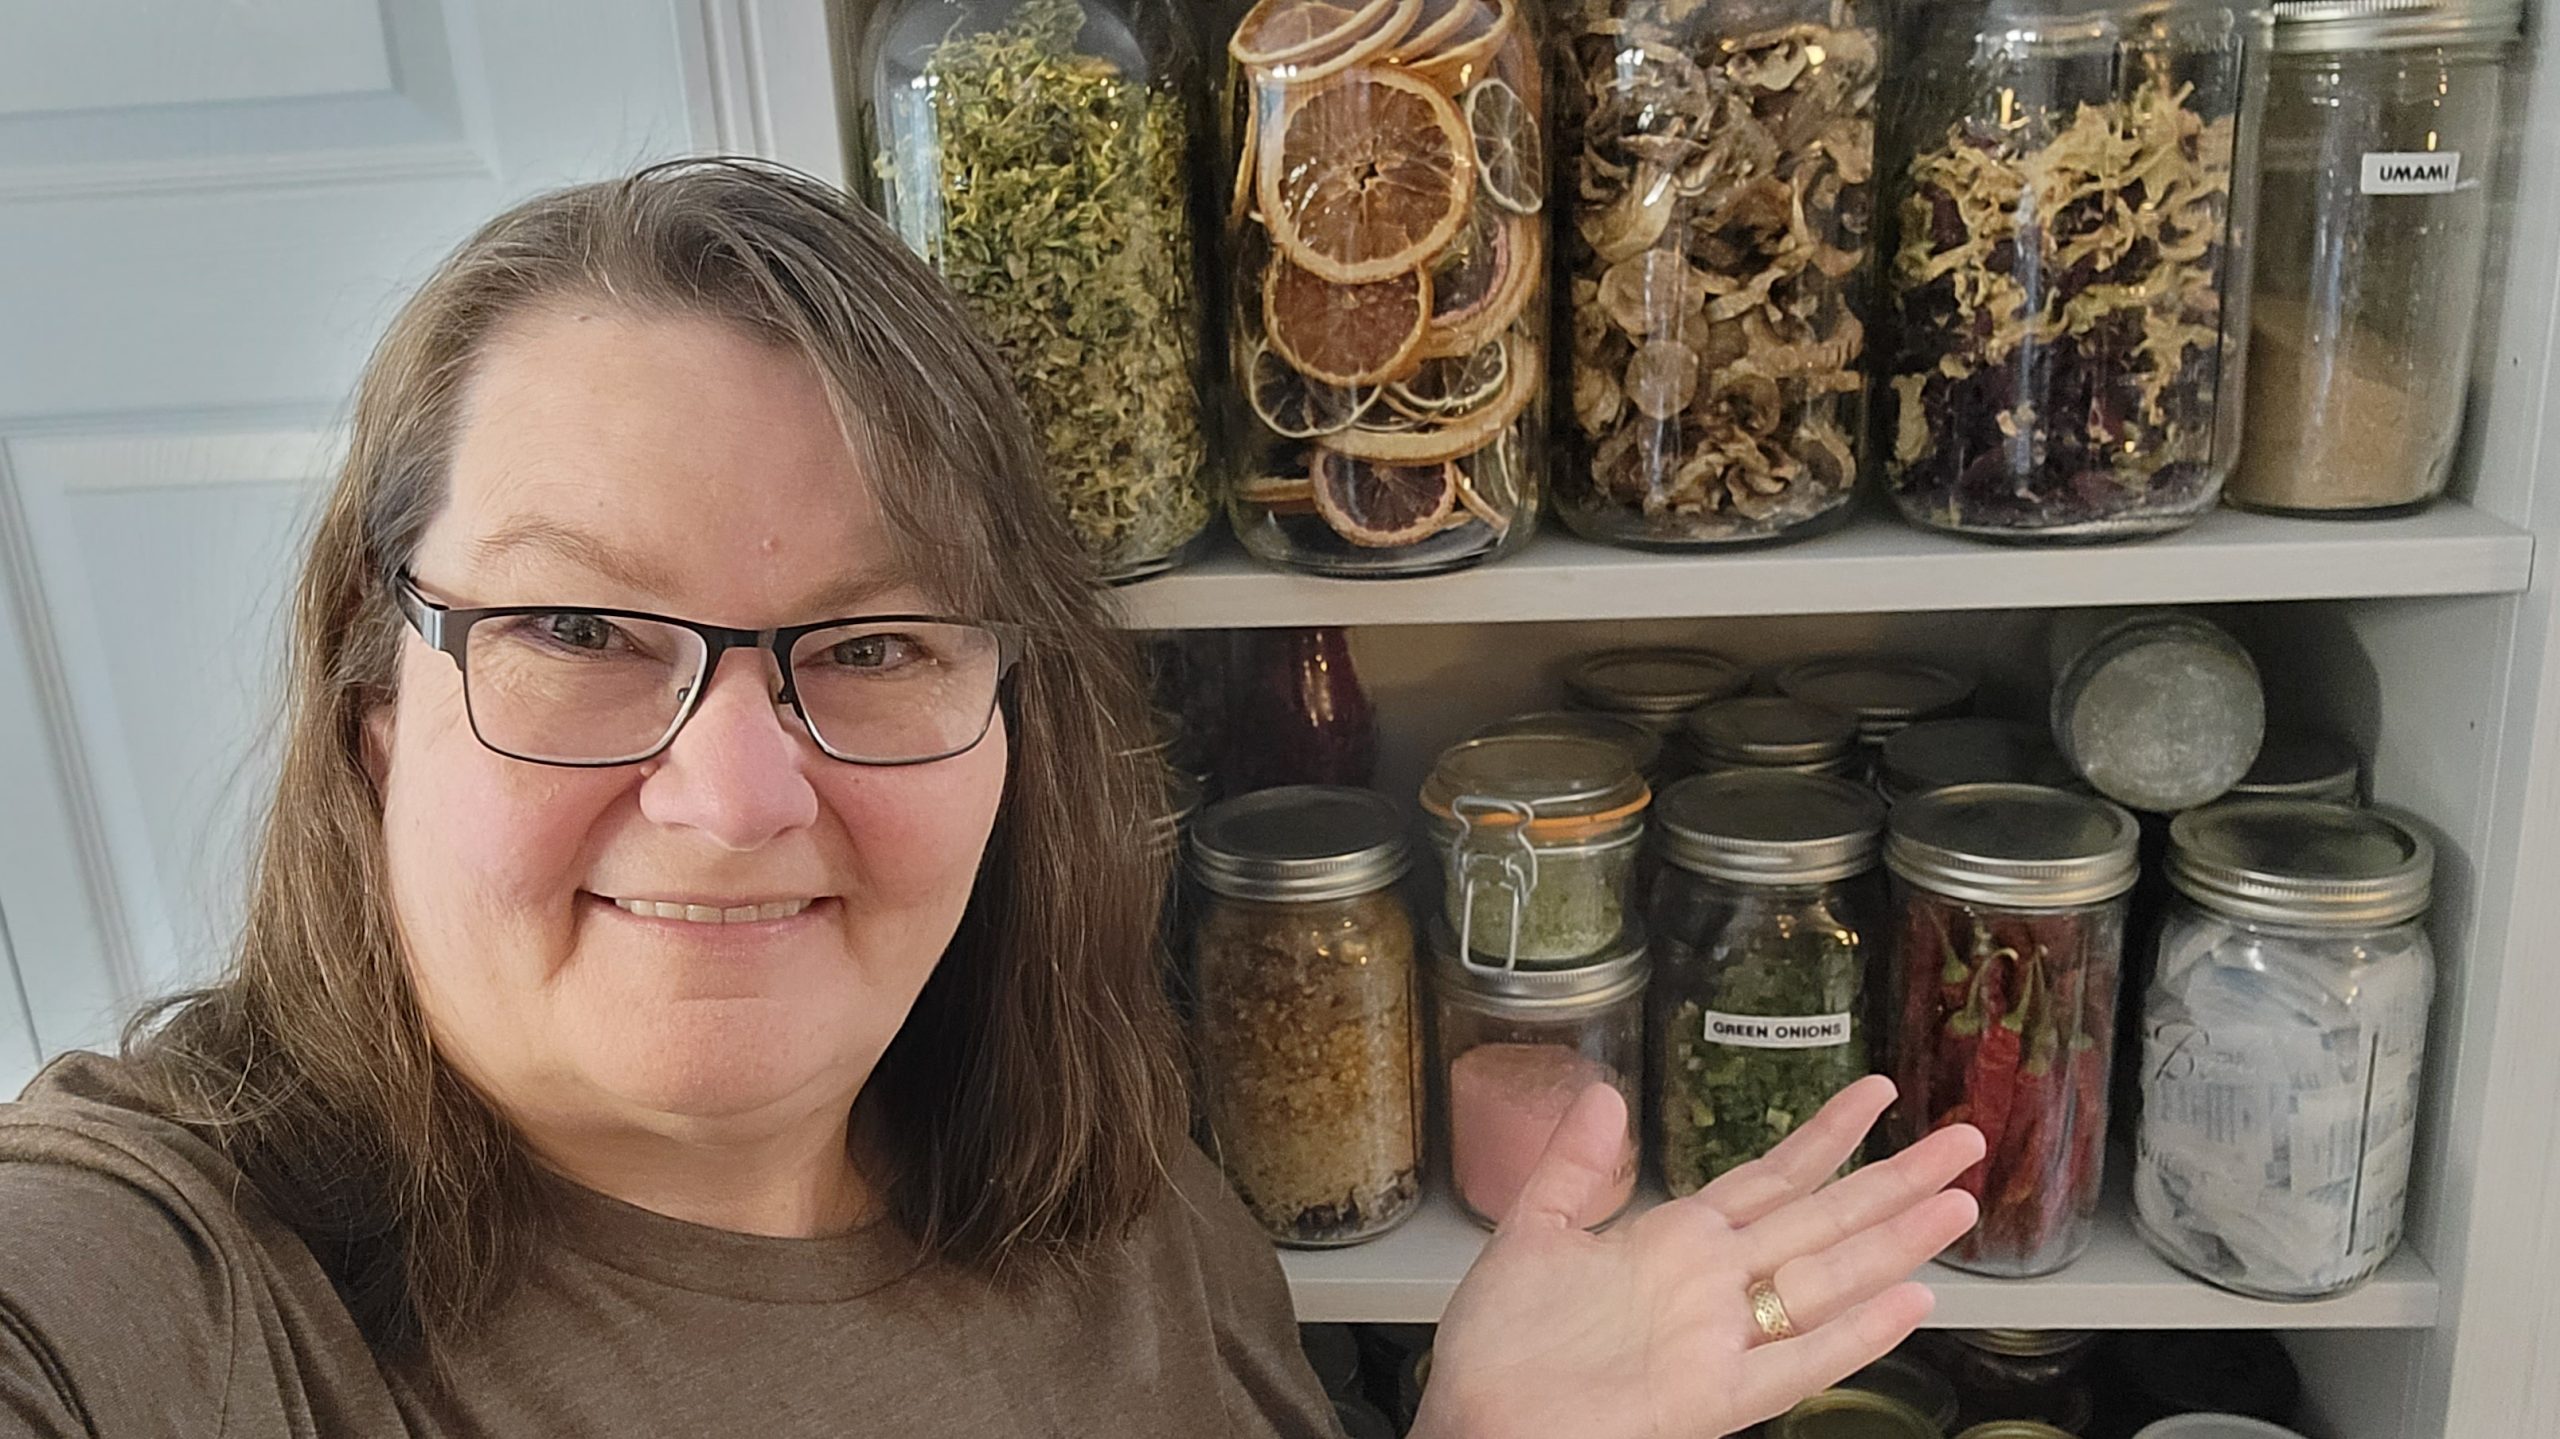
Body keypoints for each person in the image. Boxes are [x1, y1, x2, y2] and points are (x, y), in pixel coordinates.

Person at [0, 159, 1982, 1438]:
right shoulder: (186, 1286)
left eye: (869, 646)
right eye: (579, 628)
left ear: (1009, 722)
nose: (729, 793)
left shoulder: (1115, 1188)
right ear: (378, 705)